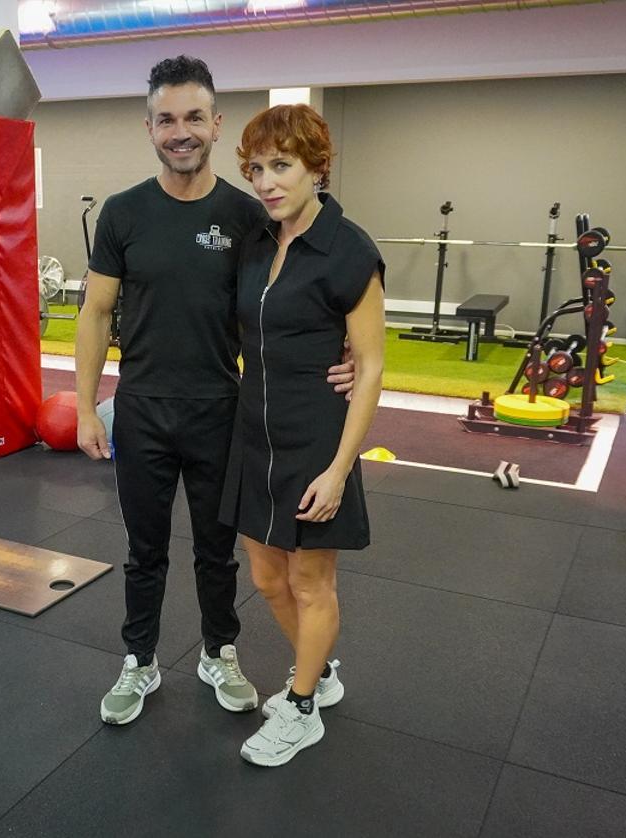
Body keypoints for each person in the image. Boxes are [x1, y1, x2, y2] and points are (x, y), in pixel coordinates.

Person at [75, 57, 354, 726]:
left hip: (223, 411)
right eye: (167, 120)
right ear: (149, 128)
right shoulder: (122, 213)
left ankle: (218, 651)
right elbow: (95, 312)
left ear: (216, 123)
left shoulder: (246, 213)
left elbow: (302, 276)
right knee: (144, 552)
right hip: (141, 409)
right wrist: (84, 407)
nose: (181, 132)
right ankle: (139, 660)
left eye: (194, 117)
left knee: (216, 553)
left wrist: (348, 347)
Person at [220, 104, 385, 767]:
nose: (266, 182)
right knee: (266, 578)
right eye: (257, 169)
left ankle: (303, 703)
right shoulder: (257, 242)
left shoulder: (349, 250)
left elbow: (370, 367)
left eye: (281, 166)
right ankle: (319, 670)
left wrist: (340, 468)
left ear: (317, 167)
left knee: (310, 581)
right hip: (253, 434)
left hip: (317, 439)